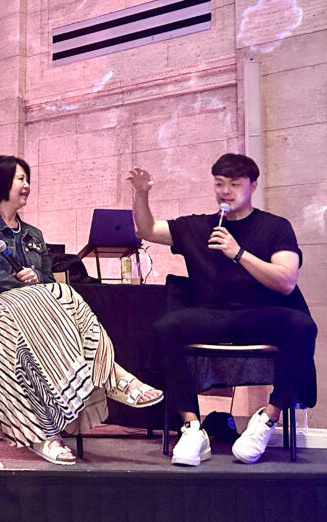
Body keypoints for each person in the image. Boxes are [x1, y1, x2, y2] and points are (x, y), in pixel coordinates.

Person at [0, 155, 163, 465]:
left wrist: (34, 277)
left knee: (63, 291)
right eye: (20, 179)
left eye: (27, 179)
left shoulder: (34, 235)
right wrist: (23, 282)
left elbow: (45, 276)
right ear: (1, 183)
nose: (27, 186)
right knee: (41, 297)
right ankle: (112, 378)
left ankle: (107, 376)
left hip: (36, 315)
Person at [128, 152, 317, 466]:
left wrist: (238, 252)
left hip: (259, 314)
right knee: (165, 327)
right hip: (211, 314)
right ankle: (191, 427)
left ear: (252, 185)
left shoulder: (275, 227)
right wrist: (142, 193)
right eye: (219, 183)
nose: (225, 190)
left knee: (303, 327)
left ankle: (268, 418)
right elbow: (147, 230)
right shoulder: (198, 226)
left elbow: (285, 281)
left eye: (234, 183)